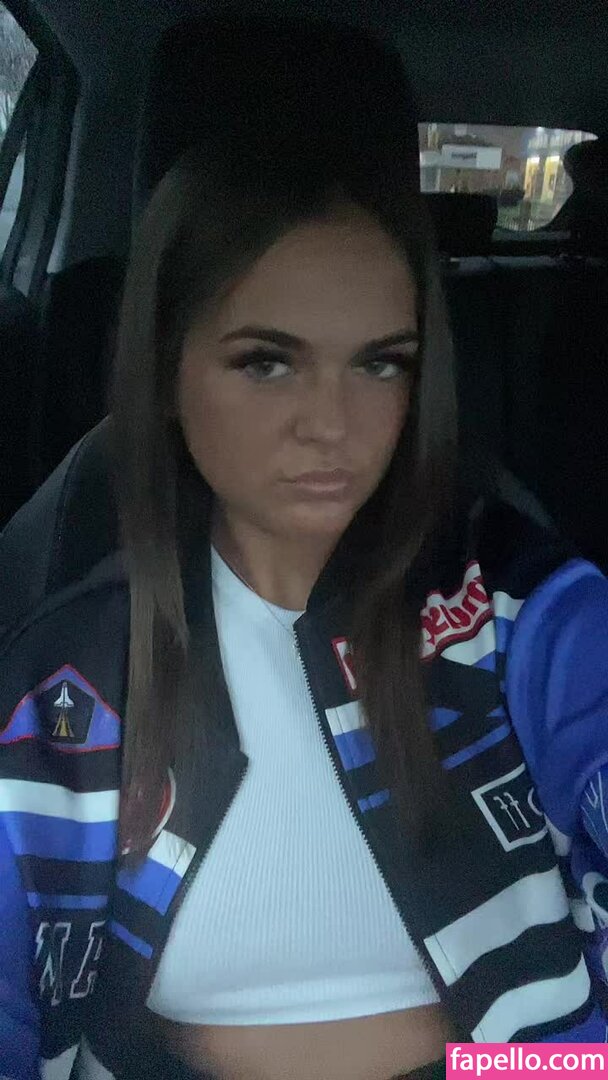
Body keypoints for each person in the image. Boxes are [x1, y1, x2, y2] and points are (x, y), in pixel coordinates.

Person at [1, 26, 608, 1080]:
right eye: (267, 363)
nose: (331, 424)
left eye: (378, 364)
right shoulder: (70, 672)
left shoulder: (523, 613)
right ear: (167, 370)